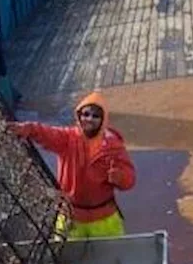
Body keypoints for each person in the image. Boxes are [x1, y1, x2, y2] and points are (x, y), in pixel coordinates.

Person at [7, 91, 136, 239]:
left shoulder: (114, 146)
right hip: (71, 217)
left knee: (113, 257)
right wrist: (28, 128)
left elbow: (129, 180)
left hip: (104, 218)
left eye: (95, 116)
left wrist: (120, 177)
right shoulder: (67, 139)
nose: (89, 119)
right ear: (79, 116)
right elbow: (45, 133)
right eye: (86, 114)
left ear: (103, 119)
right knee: (66, 259)